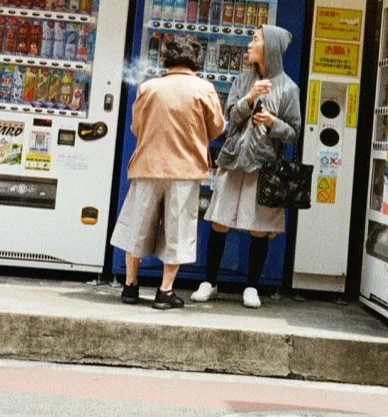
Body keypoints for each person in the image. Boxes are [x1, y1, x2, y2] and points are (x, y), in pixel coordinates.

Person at [111, 34, 225, 309]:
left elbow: (136, 127)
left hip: (147, 166)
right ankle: (165, 291)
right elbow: (218, 128)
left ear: (167, 59)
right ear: (195, 60)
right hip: (184, 169)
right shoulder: (204, 89)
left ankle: (130, 285)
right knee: (179, 230)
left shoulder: (148, 87)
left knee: (137, 227)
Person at [191, 24, 301, 308]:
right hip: (233, 159)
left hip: (264, 166)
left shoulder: (289, 88)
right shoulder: (243, 80)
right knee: (219, 221)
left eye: (255, 40)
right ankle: (209, 281)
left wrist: (273, 123)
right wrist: (249, 98)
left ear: (271, 47)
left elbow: (294, 132)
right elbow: (229, 115)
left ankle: (252, 285)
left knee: (259, 228)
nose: (249, 45)